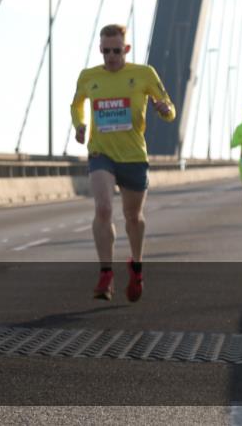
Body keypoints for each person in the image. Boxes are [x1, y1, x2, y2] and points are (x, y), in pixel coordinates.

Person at [70, 24, 175, 302]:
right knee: (103, 209)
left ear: (126, 49)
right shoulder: (89, 76)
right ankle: (106, 273)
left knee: (133, 217)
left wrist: (164, 110)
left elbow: (168, 107)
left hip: (133, 156)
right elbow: (76, 105)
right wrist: (79, 125)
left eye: (116, 51)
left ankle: (136, 266)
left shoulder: (144, 74)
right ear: (100, 49)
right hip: (100, 153)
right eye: (105, 51)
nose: (111, 57)